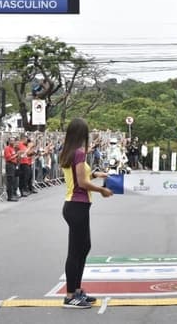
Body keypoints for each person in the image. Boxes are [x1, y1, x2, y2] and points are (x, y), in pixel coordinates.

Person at [59, 118, 113, 309]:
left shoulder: (69, 152)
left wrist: (95, 175)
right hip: (77, 205)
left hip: (75, 205)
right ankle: (70, 295)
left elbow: (78, 177)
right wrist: (102, 190)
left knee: (83, 247)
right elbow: (81, 183)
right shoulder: (79, 153)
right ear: (82, 134)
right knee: (75, 251)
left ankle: (77, 290)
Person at [3, 137, 19, 202]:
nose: (12, 142)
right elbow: (8, 158)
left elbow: (15, 156)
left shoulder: (13, 149)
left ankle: (13, 194)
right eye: (11, 141)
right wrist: (16, 155)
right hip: (9, 165)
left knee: (14, 181)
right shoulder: (7, 148)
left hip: (14, 165)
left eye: (13, 141)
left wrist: (18, 155)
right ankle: (10, 196)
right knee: (10, 181)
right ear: (9, 141)